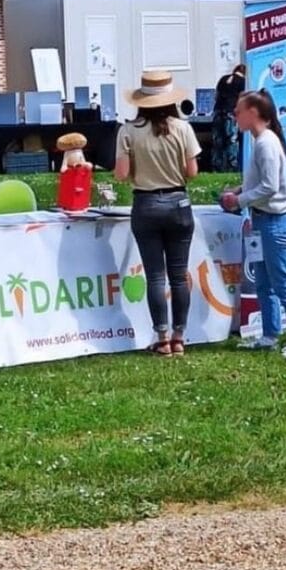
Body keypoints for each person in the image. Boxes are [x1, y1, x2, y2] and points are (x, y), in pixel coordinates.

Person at [114, 69, 201, 356]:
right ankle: (180, 336)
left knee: (155, 276)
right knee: (179, 275)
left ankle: (161, 336)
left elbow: (122, 174)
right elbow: (192, 171)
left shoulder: (128, 131)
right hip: (178, 202)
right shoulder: (183, 128)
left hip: (146, 204)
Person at [220, 90, 286, 359]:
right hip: (261, 221)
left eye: (238, 110)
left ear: (253, 113)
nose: (234, 115)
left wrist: (239, 201)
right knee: (263, 282)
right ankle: (270, 335)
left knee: (282, 281)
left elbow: (271, 187)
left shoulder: (266, 143)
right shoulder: (259, 141)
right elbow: (262, 181)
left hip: (274, 223)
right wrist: (239, 190)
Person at [210, 64, 246, 172]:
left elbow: (216, 96)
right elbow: (241, 99)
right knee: (231, 141)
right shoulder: (243, 82)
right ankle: (232, 168)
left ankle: (216, 168)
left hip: (218, 112)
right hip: (231, 113)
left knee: (217, 142)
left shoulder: (223, 79)